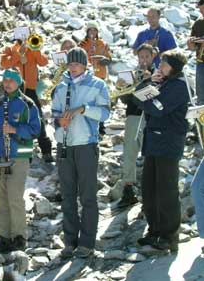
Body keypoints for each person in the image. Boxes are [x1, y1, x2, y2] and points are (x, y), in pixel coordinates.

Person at [52, 47, 110, 258]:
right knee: (67, 195)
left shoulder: (98, 85)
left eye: (76, 64)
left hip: (86, 145)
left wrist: (84, 109)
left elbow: (105, 113)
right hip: (64, 145)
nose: (72, 68)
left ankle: (87, 243)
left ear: (85, 65)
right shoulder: (60, 88)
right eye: (70, 64)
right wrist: (60, 122)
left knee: (87, 195)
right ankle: (70, 241)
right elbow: (54, 115)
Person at [134, 49, 188, 252]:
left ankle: (169, 236)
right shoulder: (161, 82)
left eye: (164, 63)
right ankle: (154, 230)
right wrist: (148, 83)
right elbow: (137, 98)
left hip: (168, 143)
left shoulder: (179, 86)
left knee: (167, 191)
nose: (159, 66)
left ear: (174, 66)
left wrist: (147, 99)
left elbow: (158, 108)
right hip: (153, 143)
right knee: (150, 189)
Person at [0, 68, 41, 252]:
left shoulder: (27, 104)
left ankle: (19, 236)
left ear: (19, 82)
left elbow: (36, 129)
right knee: (0, 198)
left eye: (11, 80)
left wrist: (16, 130)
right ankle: (4, 236)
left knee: (15, 197)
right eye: (5, 80)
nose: (7, 83)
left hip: (20, 154)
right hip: (0, 154)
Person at [1, 29, 53, 163]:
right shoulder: (10, 48)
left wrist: (33, 49)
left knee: (38, 118)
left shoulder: (33, 48)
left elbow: (43, 62)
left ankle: (46, 150)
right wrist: (18, 55)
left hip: (30, 89)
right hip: (14, 90)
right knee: (14, 120)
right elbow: (4, 64)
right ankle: (17, 151)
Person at [115, 44, 156, 208]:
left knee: (150, 153)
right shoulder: (131, 74)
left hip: (151, 117)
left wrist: (149, 80)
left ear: (153, 57)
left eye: (147, 57)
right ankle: (128, 188)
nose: (144, 60)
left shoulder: (159, 73)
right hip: (133, 114)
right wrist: (122, 87)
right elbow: (124, 100)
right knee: (130, 151)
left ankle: (150, 191)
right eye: (141, 57)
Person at [187, 0, 204, 105]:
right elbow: (192, 47)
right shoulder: (198, 23)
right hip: (201, 63)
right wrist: (190, 43)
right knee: (201, 96)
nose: (203, 13)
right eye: (201, 11)